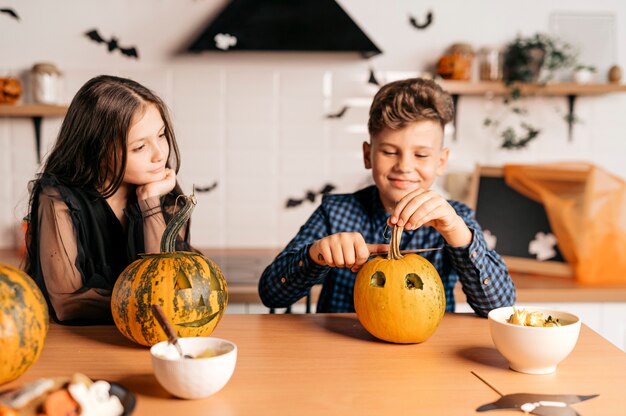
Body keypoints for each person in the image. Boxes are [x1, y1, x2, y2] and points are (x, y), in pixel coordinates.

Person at [258, 77, 516, 317]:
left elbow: (501, 307)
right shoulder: (334, 212)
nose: (404, 166)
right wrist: (315, 255)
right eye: (390, 152)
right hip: (343, 353)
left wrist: (457, 233)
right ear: (367, 155)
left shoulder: (456, 219)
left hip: (424, 355)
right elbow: (272, 295)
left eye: (421, 155)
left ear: (441, 161)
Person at [25, 75, 192, 324]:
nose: (160, 154)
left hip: (150, 342)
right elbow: (68, 304)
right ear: (98, 151)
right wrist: (151, 304)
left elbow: (174, 285)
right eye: (139, 147)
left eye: (161, 135)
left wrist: (149, 204)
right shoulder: (58, 198)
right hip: (76, 346)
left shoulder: (159, 192)